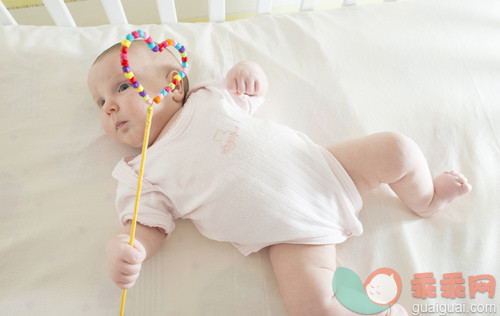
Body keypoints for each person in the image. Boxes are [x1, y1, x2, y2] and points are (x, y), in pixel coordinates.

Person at [87, 41, 471, 316]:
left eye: (121, 87)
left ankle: (427, 197)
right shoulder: (141, 173)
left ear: (173, 84)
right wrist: (129, 246)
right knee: (310, 306)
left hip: (326, 168)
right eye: (100, 102)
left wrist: (249, 76)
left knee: (397, 150)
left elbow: (251, 95)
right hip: (287, 236)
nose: (110, 107)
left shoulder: (208, 97)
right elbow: (148, 225)